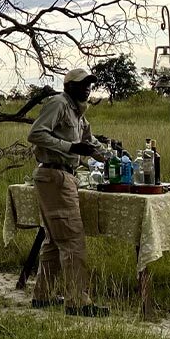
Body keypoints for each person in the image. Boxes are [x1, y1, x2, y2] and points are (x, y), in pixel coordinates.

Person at [26, 68, 109, 317]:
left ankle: (44, 295)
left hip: (61, 175)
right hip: (55, 175)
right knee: (73, 240)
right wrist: (70, 146)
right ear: (69, 86)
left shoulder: (78, 112)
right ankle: (78, 302)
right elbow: (36, 134)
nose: (87, 88)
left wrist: (114, 157)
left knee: (54, 240)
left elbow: (89, 142)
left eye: (90, 84)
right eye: (82, 84)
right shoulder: (58, 104)